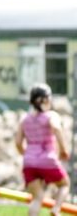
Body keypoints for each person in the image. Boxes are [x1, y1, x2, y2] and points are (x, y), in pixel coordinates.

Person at [15, 83, 71, 216]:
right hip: (47, 159)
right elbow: (56, 129)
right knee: (64, 184)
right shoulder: (51, 116)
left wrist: (26, 154)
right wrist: (63, 150)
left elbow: (18, 142)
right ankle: (56, 209)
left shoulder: (25, 119)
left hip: (29, 162)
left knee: (37, 198)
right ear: (46, 99)